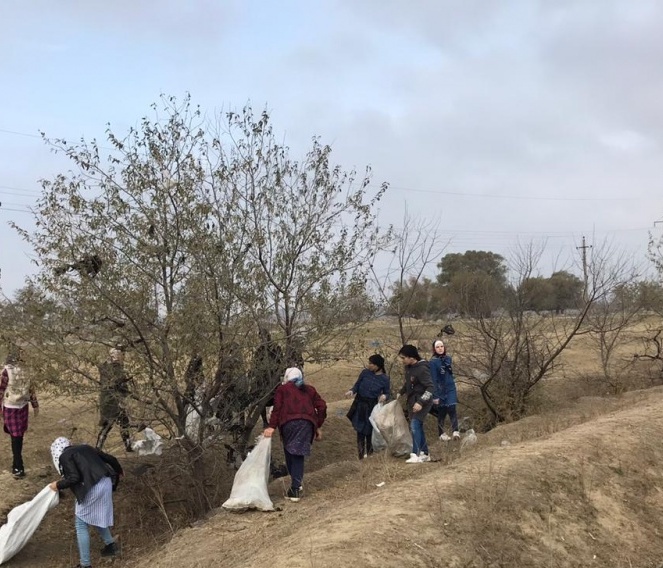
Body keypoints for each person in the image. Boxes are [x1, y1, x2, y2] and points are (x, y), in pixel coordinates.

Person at [49, 437, 123, 568]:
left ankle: (85, 564)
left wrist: (58, 485)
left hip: (92, 486)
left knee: (81, 523)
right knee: (95, 513)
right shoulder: (85, 447)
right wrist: (120, 470)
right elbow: (110, 459)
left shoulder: (64, 456)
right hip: (106, 482)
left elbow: (74, 478)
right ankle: (111, 546)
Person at [263, 367, 327, 502]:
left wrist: (271, 426)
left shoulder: (282, 389)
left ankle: (295, 488)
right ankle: (296, 484)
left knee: (292, 453)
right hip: (306, 424)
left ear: (287, 377)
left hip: (288, 423)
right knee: (296, 453)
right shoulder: (310, 390)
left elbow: (277, 408)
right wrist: (317, 424)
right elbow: (322, 406)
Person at [0, 352, 39, 478]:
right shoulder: (8, 371)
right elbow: (1, 389)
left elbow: (31, 388)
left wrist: (35, 404)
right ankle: (18, 466)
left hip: (20, 405)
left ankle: (16, 465)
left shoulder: (24, 371)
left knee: (18, 435)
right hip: (12, 406)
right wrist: (35, 404)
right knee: (16, 435)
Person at [345, 354, 390, 459]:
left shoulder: (385, 379)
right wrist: (352, 391)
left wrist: (384, 396)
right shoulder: (365, 373)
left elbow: (387, 393)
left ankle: (370, 455)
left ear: (378, 365)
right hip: (360, 404)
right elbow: (357, 385)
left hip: (372, 406)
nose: (369, 365)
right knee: (360, 431)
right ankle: (360, 456)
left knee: (370, 431)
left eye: (371, 364)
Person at [397, 345, 434, 464]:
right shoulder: (409, 368)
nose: (402, 360)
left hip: (423, 402)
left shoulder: (422, 369)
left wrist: (421, 402)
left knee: (414, 425)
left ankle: (415, 454)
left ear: (411, 357)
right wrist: (401, 392)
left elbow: (430, 387)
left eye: (403, 358)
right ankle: (425, 453)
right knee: (418, 426)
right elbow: (409, 383)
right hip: (412, 402)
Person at [96, 347, 133, 452]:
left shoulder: (104, 367)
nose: (122, 357)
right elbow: (119, 384)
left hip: (106, 399)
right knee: (112, 423)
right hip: (113, 400)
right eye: (120, 355)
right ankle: (98, 448)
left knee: (122, 422)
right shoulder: (116, 369)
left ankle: (128, 446)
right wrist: (127, 392)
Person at [430, 340, 460, 441]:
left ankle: (456, 432)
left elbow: (450, 374)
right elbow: (433, 379)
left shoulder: (448, 359)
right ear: (434, 349)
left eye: (441, 346)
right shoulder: (433, 362)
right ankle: (441, 434)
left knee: (452, 408)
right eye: (437, 347)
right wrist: (435, 395)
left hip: (450, 387)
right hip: (440, 389)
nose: (440, 348)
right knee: (442, 411)